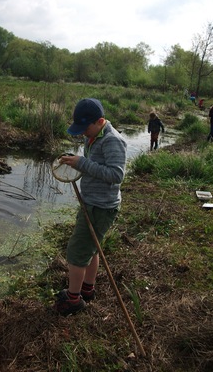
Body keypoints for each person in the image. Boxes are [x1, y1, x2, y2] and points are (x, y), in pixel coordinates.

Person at [54, 98, 127, 316]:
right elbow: (94, 165)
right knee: (91, 249)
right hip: (92, 202)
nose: (83, 134)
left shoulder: (113, 141)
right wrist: (74, 162)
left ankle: (73, 300)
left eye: (85, 128)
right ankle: (87, 289)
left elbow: (116, 175)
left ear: (101, 121)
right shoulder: (95, 136)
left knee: (77, 252)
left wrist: (82, 164)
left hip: (101, 207)